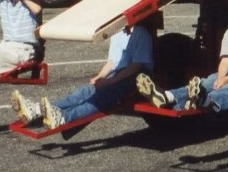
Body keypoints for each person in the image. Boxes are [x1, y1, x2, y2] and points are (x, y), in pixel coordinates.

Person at [135, 0, 228, 113]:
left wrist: (227, 80)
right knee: (207, 82)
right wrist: (221, 77)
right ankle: (167, 96)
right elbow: (225, 60)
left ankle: (203, 100)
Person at [11, 21, 154, 128]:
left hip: (136, 79)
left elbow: (137, 66)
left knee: (100, 98)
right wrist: (100, 77)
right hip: (118, 76)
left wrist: (110, 82)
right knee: (84, 91)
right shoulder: (118, 33)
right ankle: (36, 110)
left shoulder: (140, 32)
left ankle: (63, 118)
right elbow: (112, 62)